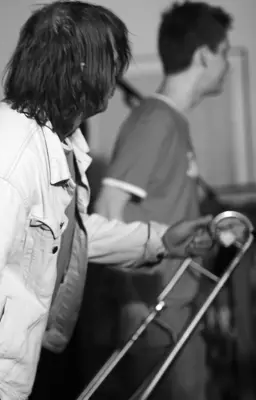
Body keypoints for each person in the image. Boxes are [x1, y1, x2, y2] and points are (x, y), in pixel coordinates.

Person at [0, 2, 215, 400]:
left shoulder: (53, 137)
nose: (117, 74)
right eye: (111, 60)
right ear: (81, 69)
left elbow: (64, 235)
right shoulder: (7, 162)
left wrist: (160, 240)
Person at [84, 2, 232, 399]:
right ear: (204, 55)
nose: (227, 64)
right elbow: (107, 212)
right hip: (156, 318)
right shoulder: (154, 120)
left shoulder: (172, 122)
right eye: (223, 52)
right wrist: (133, 302)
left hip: (176, 312)